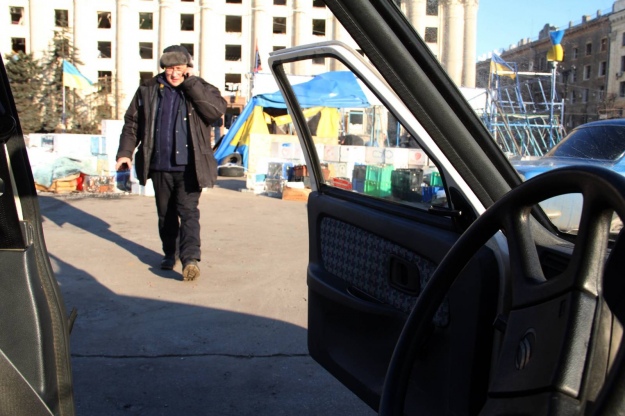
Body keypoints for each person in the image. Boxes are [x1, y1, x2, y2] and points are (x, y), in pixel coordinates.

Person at [115, 45, 227, 281]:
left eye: (178, 68)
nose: (174, 74)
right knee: (165, 214)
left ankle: (190, 259)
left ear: (187, 68)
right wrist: (125, 153)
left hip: (190, 167)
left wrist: (191, 84)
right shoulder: (147, 89)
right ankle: (170, 252)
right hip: (159, 164)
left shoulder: (201, 88)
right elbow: (132, 123)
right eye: (169, 69)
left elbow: (215, 112)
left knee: (189, 213)